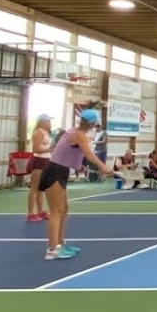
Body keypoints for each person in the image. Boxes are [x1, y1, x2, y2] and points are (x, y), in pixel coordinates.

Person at [37, 109, 113, 260]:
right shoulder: (79, 135)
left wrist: (79, 166)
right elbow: (89, 154)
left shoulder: (75, 133)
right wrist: (103, 166)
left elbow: (68, 152)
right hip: (55, 171)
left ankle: (60, 243)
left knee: (64, 209)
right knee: (56, 210)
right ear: (92, 124)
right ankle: (52, 249)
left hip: (61, 170)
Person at [27, 114, 53, 222]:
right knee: (34, 187)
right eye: (47, 121)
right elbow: (36, 149)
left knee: (41, 188)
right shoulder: (38, 132)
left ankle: (40, 210)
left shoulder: (46, 132)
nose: (49, 123)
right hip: (38, 161)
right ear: (42, 122)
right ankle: (30, 213)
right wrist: (51, 149)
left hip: (46, 160)